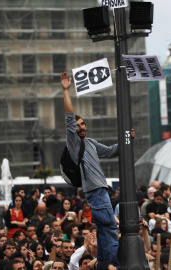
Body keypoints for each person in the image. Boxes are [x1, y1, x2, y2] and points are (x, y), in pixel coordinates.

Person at [61, 72, 132, 267]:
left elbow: (110, 151)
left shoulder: (90, 142)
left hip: (101, 192)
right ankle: (113, 265)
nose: (81, 127)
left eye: (83, 123)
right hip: (96, 192)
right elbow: (69, 117)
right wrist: (66, 90)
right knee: (109, 228)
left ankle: (104, 263)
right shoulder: (74, 143)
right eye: (77, 126)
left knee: (103, 231)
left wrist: (127, 138)